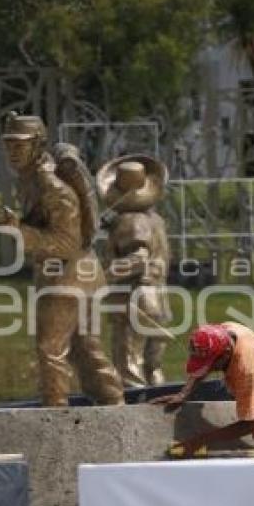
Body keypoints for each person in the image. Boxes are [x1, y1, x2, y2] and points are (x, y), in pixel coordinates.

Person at [0, 112, 125, 407]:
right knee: (86, 349)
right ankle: (114, 405)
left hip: (68, 277)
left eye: (20, 145)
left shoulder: (50, 186)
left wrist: (20, 231)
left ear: (37, 145)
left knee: (50, 349)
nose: (12, 152)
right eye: (9, 145)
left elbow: (67, 242)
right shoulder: (31, 180)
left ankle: (55, 416)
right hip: (79, 276)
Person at [152, 322, 254, 455]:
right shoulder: (230, 330)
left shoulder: (247, 372)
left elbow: (248, 424)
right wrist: (184, 393)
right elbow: (208, 358)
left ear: (225, 354)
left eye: (211, 365)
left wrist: (198, 442)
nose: (209, 369)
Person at [96, 155, 171, 388]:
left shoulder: (132, 221)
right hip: (155, 298)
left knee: (129, 365)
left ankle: (135, 413)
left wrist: (101, 278)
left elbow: (138, 259)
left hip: (134, 299)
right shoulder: (155, 220)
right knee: (153, 365)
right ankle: (159, 408)